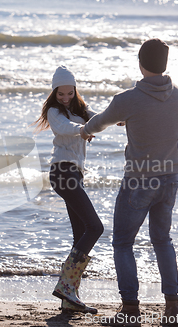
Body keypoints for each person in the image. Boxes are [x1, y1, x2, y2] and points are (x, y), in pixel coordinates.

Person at [81, 39, 178, 326]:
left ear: (140, 63)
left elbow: (99, 122)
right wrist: (129, 119)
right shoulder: (176, 96)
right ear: (165, 64)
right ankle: (172, 308)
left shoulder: (128, 99)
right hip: (170, 176)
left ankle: (130, 309)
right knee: (162, 240)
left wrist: (84, 131)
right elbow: (156, 123)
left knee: (123, 243)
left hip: (140, 179)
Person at [33, 66, 104, 314]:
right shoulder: (55, 111)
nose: (65, 98)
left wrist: (121, 118)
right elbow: (64, 128)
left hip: (74, 175)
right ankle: (65, 286)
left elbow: (98, 118)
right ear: (55, 92)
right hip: (62, 173)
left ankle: (68, 298)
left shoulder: (81, 111)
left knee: (81, 234)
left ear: (75, 90)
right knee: (95, 227)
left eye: (69, 94)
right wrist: (83, 130)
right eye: (60, 94)